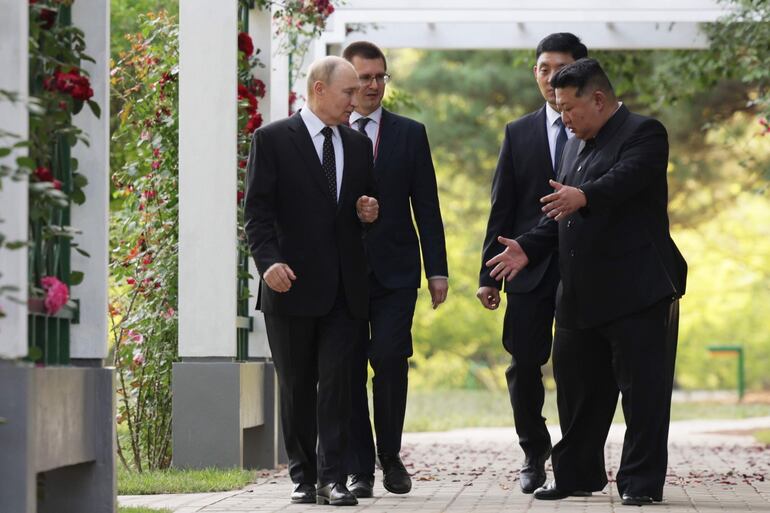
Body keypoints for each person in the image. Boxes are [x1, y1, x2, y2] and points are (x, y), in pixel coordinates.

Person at [487, 57, 687, 506]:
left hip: (639, 291)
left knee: (644, 398)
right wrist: (528, 246)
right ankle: (576, 475)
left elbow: (625, 180)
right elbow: (561, 212)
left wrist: (586, 195)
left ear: (598, 99)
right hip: (579, 294)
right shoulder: (577, 143)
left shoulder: (644, 133)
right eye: (558, 109)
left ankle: (640, 483)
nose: (564, 119)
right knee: (577, 394)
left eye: (570, 109)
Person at [244, 56, 379, 507]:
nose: (355, 101)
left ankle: (331, 477)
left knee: (339, 382)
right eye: (348, 92)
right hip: (290, 285)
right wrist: (268, 264)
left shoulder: (358, 146)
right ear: (319, 89)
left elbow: (357, 210)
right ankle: (303, 477)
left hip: (344, 288)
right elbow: (257, 216)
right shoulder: (272, 140)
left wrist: (366, 213)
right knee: (298, 387)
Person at [476, 33, 587, 494]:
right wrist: (489, 273)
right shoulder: (517, 132)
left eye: (560, 68)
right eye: (543, 68)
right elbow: (502, 205)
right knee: (524, 364)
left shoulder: (596, 129)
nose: (550, 77)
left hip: (584, 267)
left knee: (578, 366)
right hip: (526, 268)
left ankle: (577, 457)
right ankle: (533, 450)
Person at [341, 41, 449, 498]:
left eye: (379, 77)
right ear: (347, 81)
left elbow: (427, 204)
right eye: (363, 78)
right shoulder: (327, 131)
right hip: (341, 272)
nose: (372, 86)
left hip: (397, 272)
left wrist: (437, 270)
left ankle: (390, 456)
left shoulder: (410, 133)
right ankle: (358, 467)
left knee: (389, 359)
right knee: (346, 369)